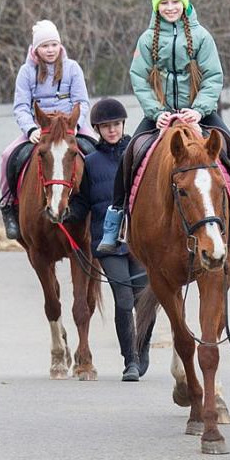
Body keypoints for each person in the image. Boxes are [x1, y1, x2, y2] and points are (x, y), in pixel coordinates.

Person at [96, 0, 230, 254]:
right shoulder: (147, 40)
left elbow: (213, 76)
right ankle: (117, 218)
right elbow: (139, 77)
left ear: (184, 3)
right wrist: (156, 112)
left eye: (175, 1)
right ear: (156, 6)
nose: (170, 7)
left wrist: (198, 110)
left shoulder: (201, 36)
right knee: (129, 153)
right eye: (164, 2)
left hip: (197, 112)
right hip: (160, 113)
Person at [68, 98, 154, 382]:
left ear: (123, 125)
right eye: (105, 127)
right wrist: (66, 215)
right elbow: (83, 203)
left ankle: (143, 350)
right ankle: (129, 360)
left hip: (139, 239)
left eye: (116, 125)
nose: (112, 130)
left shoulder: (138, 153)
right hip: (108, 242)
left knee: (145, 300)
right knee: (124, 298)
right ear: (97, 129)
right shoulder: (90, 163)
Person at [0, 19, 92, 239]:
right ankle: (8, 206)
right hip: (40, 129)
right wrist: (31, 129)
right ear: (36, 49)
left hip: (70, 128)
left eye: (53, 45)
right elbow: (21, 106)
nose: (50, 50)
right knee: (6, 156)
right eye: (44, 46)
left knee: (97, 154)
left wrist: (76, 126)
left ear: (60, 46)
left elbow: (82, 101)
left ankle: (103, 206)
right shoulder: (26, 72)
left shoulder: (72, 68)